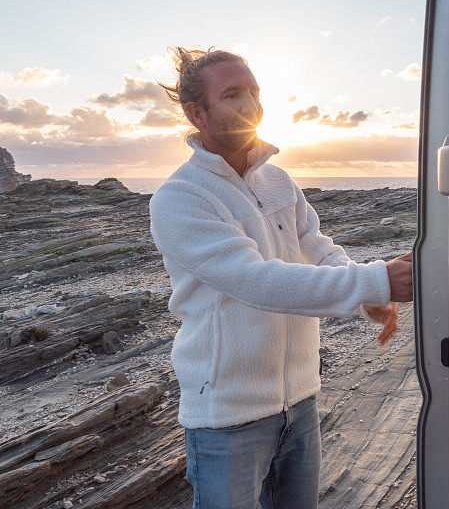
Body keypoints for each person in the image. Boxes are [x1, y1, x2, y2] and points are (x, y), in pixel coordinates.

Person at [148, 47, 413, 509]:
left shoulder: (279, 182)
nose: (251, 105)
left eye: (255, 92)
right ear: (197, 113)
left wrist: (366, 295)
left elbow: (319, 249)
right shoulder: (180, 197)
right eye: (232, 94)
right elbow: (256, 282)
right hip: (228, 418)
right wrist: (376, 280)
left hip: (300, 402)